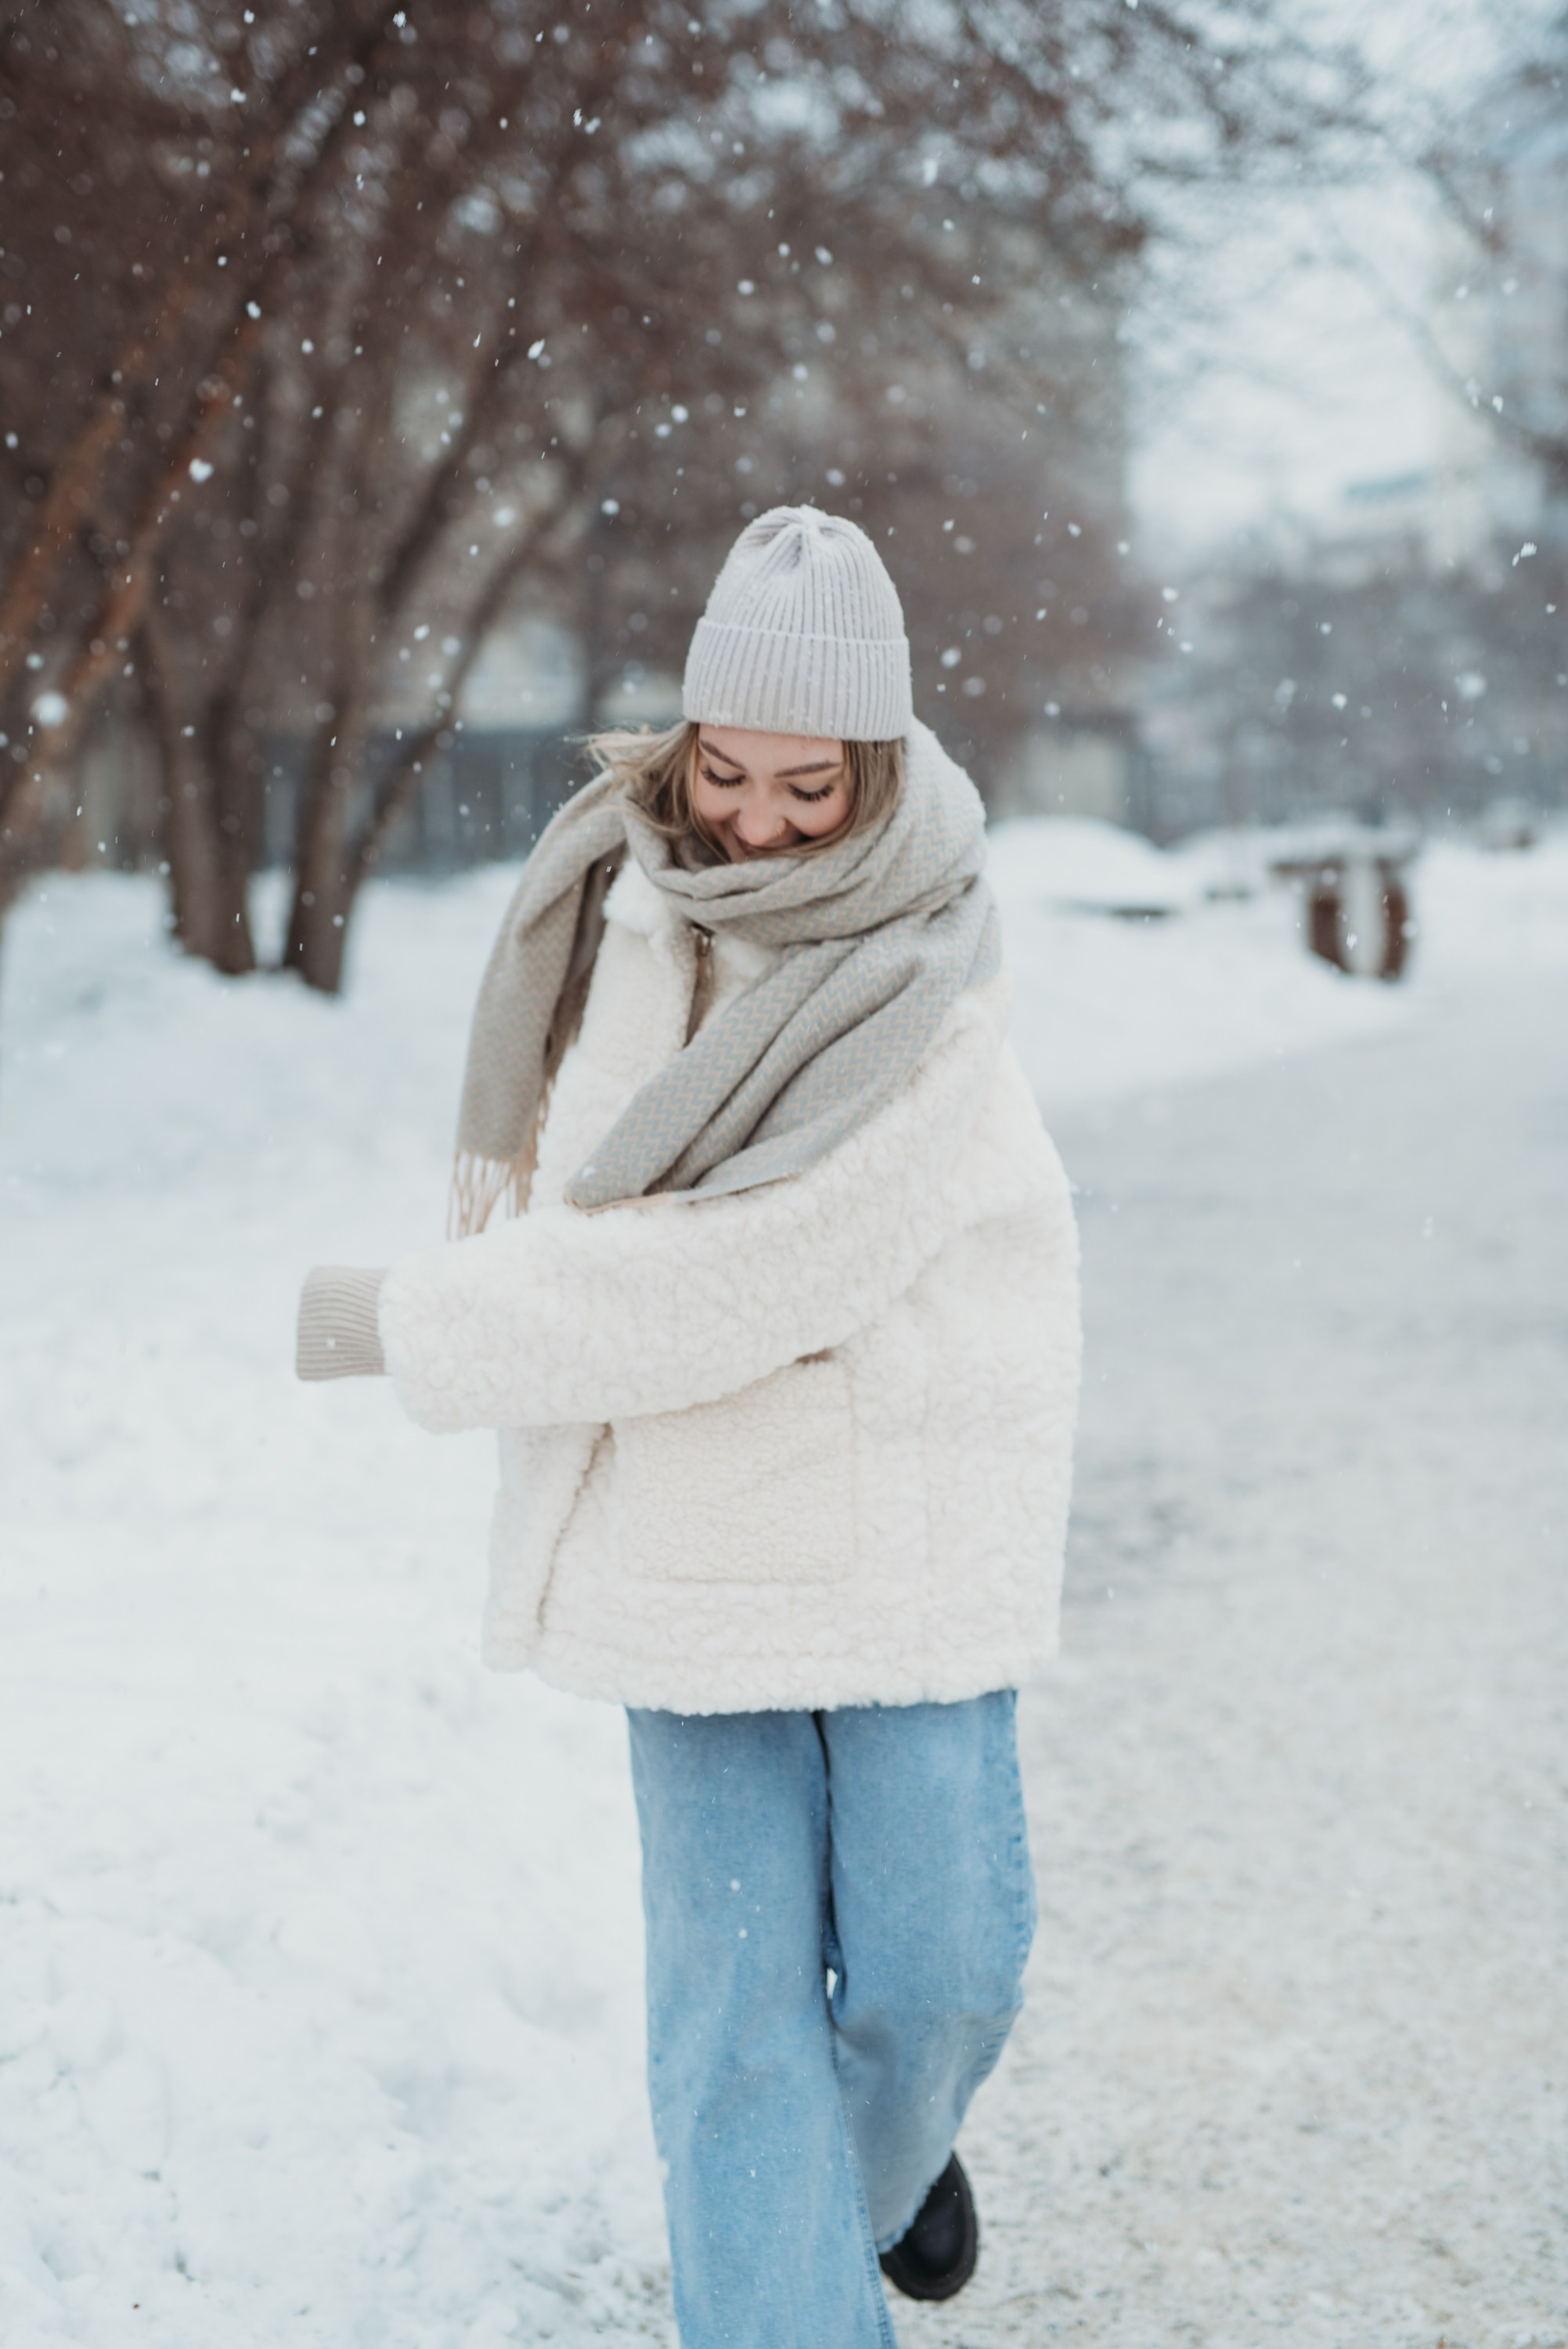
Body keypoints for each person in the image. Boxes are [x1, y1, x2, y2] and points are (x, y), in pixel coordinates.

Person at [297, 506, 1081, 2347]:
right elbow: (595, 1223)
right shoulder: (618, 909)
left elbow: (746, 1271)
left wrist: (402, 1321)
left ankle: (878, 2174)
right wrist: (538, 1300)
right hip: (691, 1534)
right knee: (731, 2013)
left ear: (876, 767)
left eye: (811, 787)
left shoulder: (932, 953)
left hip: (903, 1506)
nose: (757, 822)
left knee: (942, 1971)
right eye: (727, 771)